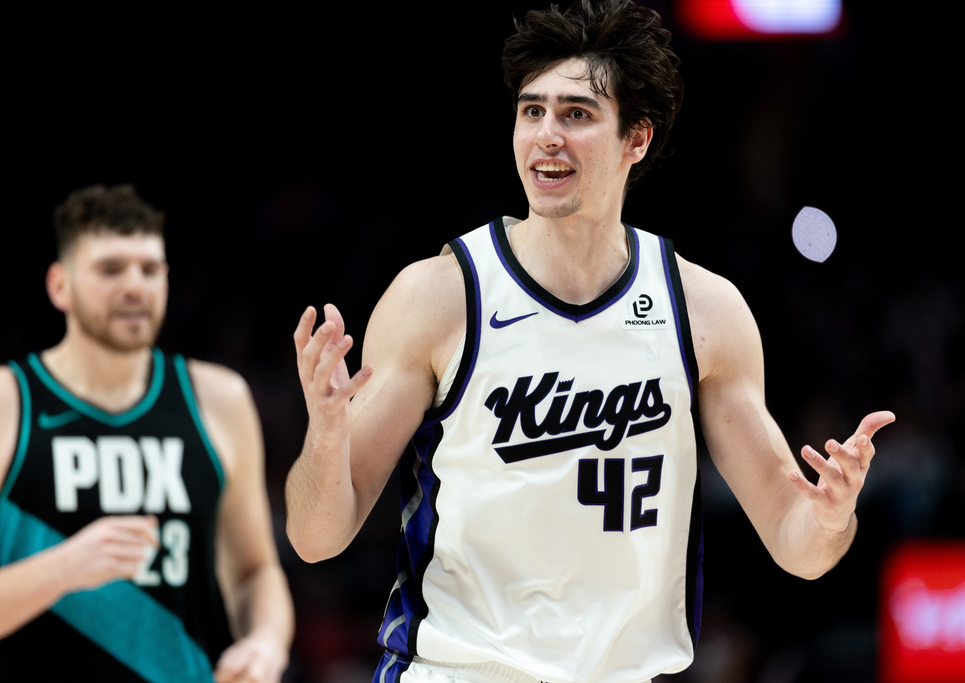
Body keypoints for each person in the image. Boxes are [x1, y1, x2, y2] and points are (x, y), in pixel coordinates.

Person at [285, 1, 895, 682]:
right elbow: (315, 538)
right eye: (532, 111)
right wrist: (325, 438)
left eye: (576, 114)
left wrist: (830, 516)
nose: (547, 135)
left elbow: (797, 544)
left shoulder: (705, 312)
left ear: (637, 139)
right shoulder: (438, 297)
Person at [0, 184, 294, 682]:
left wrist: (265, 643)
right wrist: (62, 569)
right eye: (110, 269)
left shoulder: (220, 398)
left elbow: (255, 572)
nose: (135, 286)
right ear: (59, 286)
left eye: (150, 269)